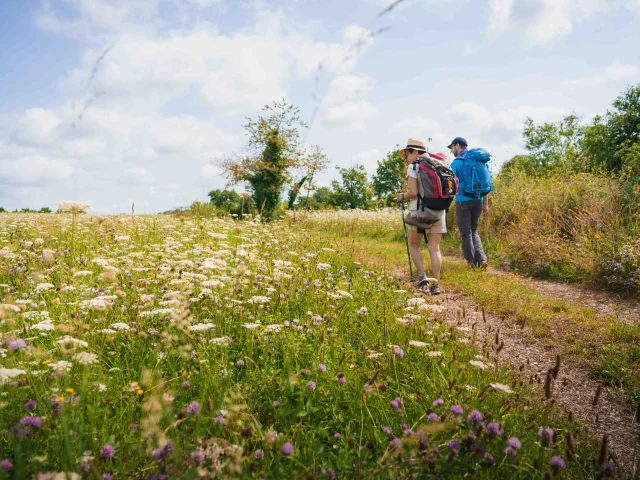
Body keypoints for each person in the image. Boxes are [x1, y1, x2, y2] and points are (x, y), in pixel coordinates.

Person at [395, 139, 445, 294]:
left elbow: (413, 193)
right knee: (435, 248)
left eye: (407, 155)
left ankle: (422, 275)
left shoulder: (414, 166)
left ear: (415, 152)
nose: (406, 159)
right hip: (439, 211)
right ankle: (435, 284)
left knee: (414, 244)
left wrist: (401, 196)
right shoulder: (441, 164)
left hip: (419, 212)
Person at [448, 137, 488, 269]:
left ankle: (471, 263)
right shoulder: (478, 161)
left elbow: (450, 186)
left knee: (466, 233)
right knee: (474, 230)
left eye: (452, 148)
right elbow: (486, 184)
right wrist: (485, 204)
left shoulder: (456, 163)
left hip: (463, 201)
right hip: (478, 200)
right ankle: (481, 259)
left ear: (457, 146)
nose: (451, 151)